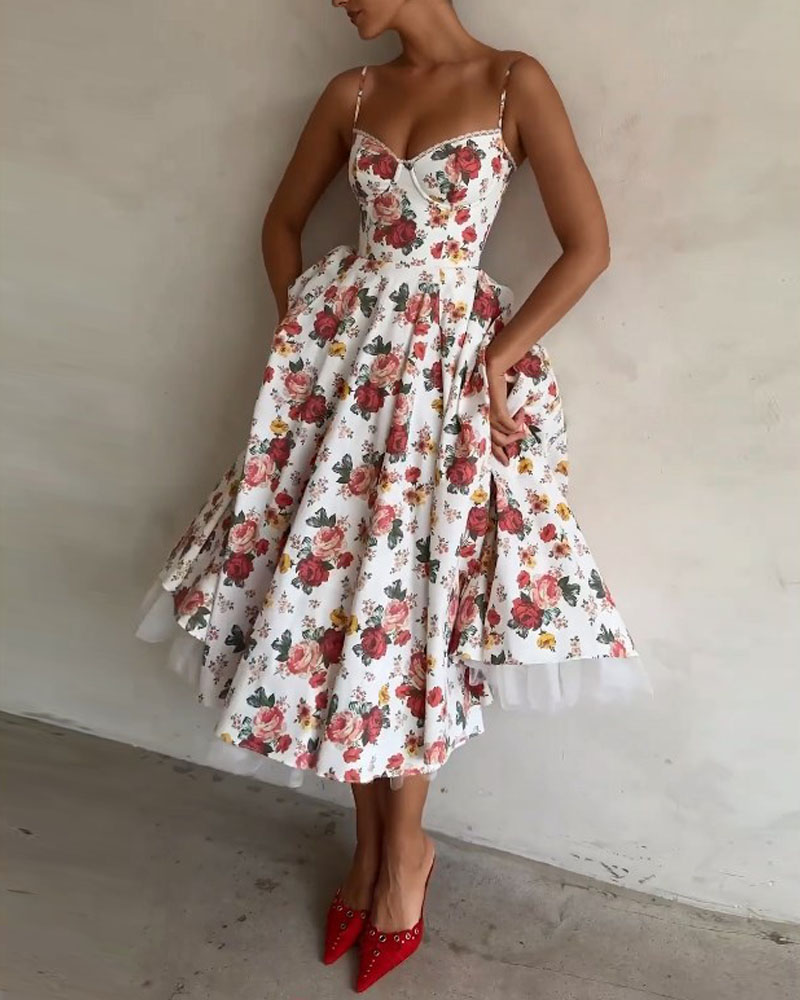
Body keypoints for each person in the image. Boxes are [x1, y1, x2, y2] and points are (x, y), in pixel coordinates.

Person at [136, 0, 650, 990]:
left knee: (409, 609)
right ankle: (372, 851)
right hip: (344, 387)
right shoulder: (353, 92)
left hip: (450, 388)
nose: (338, 1)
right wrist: (304, 328)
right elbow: (281, 224)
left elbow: (587, 246)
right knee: (340, 605)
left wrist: (498, 359)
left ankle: (402, 856)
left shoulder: (513, 82)